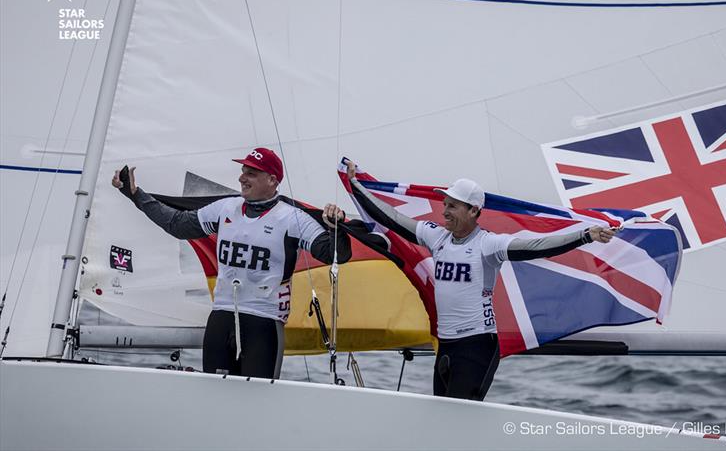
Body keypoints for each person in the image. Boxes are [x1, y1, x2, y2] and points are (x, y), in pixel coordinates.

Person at [345, 160, 615, 401]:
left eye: (452, 206)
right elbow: (390, 218)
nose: (445, 211)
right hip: (446, 345)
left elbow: (538, 245)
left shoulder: (489, 244)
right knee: (445, 422)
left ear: (474, 211)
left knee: (460, 425)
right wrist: (355, 184)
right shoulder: (436, 236)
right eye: (444, 205)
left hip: (477, 346)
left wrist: (585, 235)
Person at [112, 148, 351, 379]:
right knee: (215, 400)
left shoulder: (292, 218)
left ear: (272, 180)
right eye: (243, 171)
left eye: (251, 173)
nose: (242, 178)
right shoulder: (226, 208)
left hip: (263, 320)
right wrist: (136, 195)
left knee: (257, 401)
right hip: (222, 316)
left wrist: (336, 228)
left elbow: (334, 254)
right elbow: (177, 225)